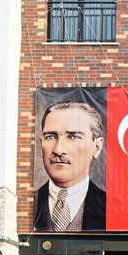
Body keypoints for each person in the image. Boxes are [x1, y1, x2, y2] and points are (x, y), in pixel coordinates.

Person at [33, 99, 106, 231]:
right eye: (50, 137)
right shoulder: (25, 204)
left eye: (74, 137)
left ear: (96, 147)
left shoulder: (111, 208)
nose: (58, 149)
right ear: (41, 144)